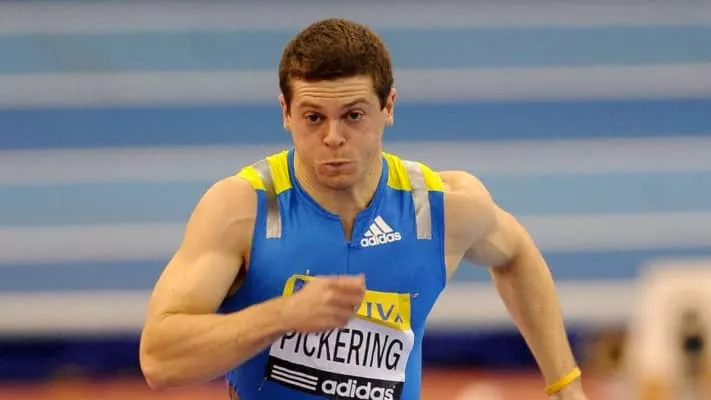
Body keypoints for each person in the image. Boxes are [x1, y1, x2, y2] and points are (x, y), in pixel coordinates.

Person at [138, 18, 588, 400]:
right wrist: (282, 316)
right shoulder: (243, 209)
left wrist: (565, 384)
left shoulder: (442, 206)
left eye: (353, 115)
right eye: (313, 117)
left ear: (388, 107)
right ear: (286, 112)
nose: (333, 137)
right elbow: (158, 358)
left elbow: (516, 254)